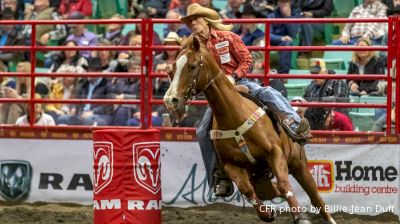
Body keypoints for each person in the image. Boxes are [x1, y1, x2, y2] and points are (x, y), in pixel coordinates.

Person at [180, 3, 311, 197]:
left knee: (267, 92)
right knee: (201, 132)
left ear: (206, 20)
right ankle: (218, 178)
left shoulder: (228, 37)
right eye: (190, 21)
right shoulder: (193, 46)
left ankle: (295, 123)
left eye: (196, 19)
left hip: (241, 82)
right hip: (218, 95)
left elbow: (246, 60)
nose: (193, 23)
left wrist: (234, 76)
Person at [268, 0, 301, 74]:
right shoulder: (272, 16)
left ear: (290, 3)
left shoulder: (295, 15)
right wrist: (280, 38)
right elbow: (268, 34)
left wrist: (287, 17)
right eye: (282, 2)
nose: (284, 4)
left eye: (286, 2)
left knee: (287, 43)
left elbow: (293, 34)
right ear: (278, 3)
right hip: (273, 41)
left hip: (287, 41)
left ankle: (284, 73)